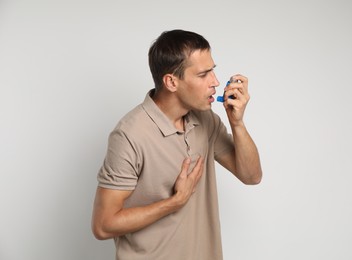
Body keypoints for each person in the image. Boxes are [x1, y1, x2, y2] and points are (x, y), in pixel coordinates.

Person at [91, 29, 262, 260]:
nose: (216, 82)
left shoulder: (206, 119)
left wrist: (237, 124)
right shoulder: (129, 135)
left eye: (213, 70)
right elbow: (103, 225)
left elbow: (251, 176)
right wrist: (175, 202)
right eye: (203, 75)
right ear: (171, 82)